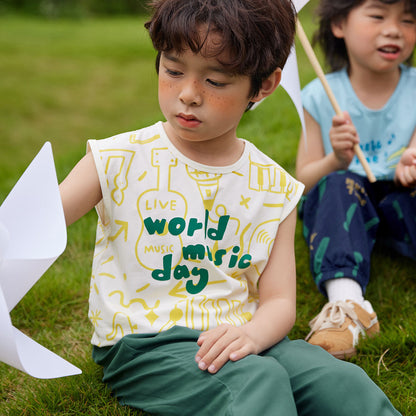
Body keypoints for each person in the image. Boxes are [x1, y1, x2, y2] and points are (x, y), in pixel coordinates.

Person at [58, 0, 401, 414]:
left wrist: (255, 335)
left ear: (263, 86)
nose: (188, 94)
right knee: (257, 380)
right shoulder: (116, 158)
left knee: (339, 380)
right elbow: (35, 225)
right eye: (173, 69)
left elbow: (278, 302)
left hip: (243, 337)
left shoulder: (273, 186)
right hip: (145, 344)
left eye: (216, 81)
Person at [296, 0, 416, 360]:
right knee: (334, 185)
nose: (394, 29)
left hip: (401, 194)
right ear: (338, 25)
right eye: (378, 16)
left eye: (408, 20)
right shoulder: (318, 94)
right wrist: (336, 158)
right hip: (347, 199)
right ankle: (347, 304)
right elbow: (304, 181)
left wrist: (411, 163)